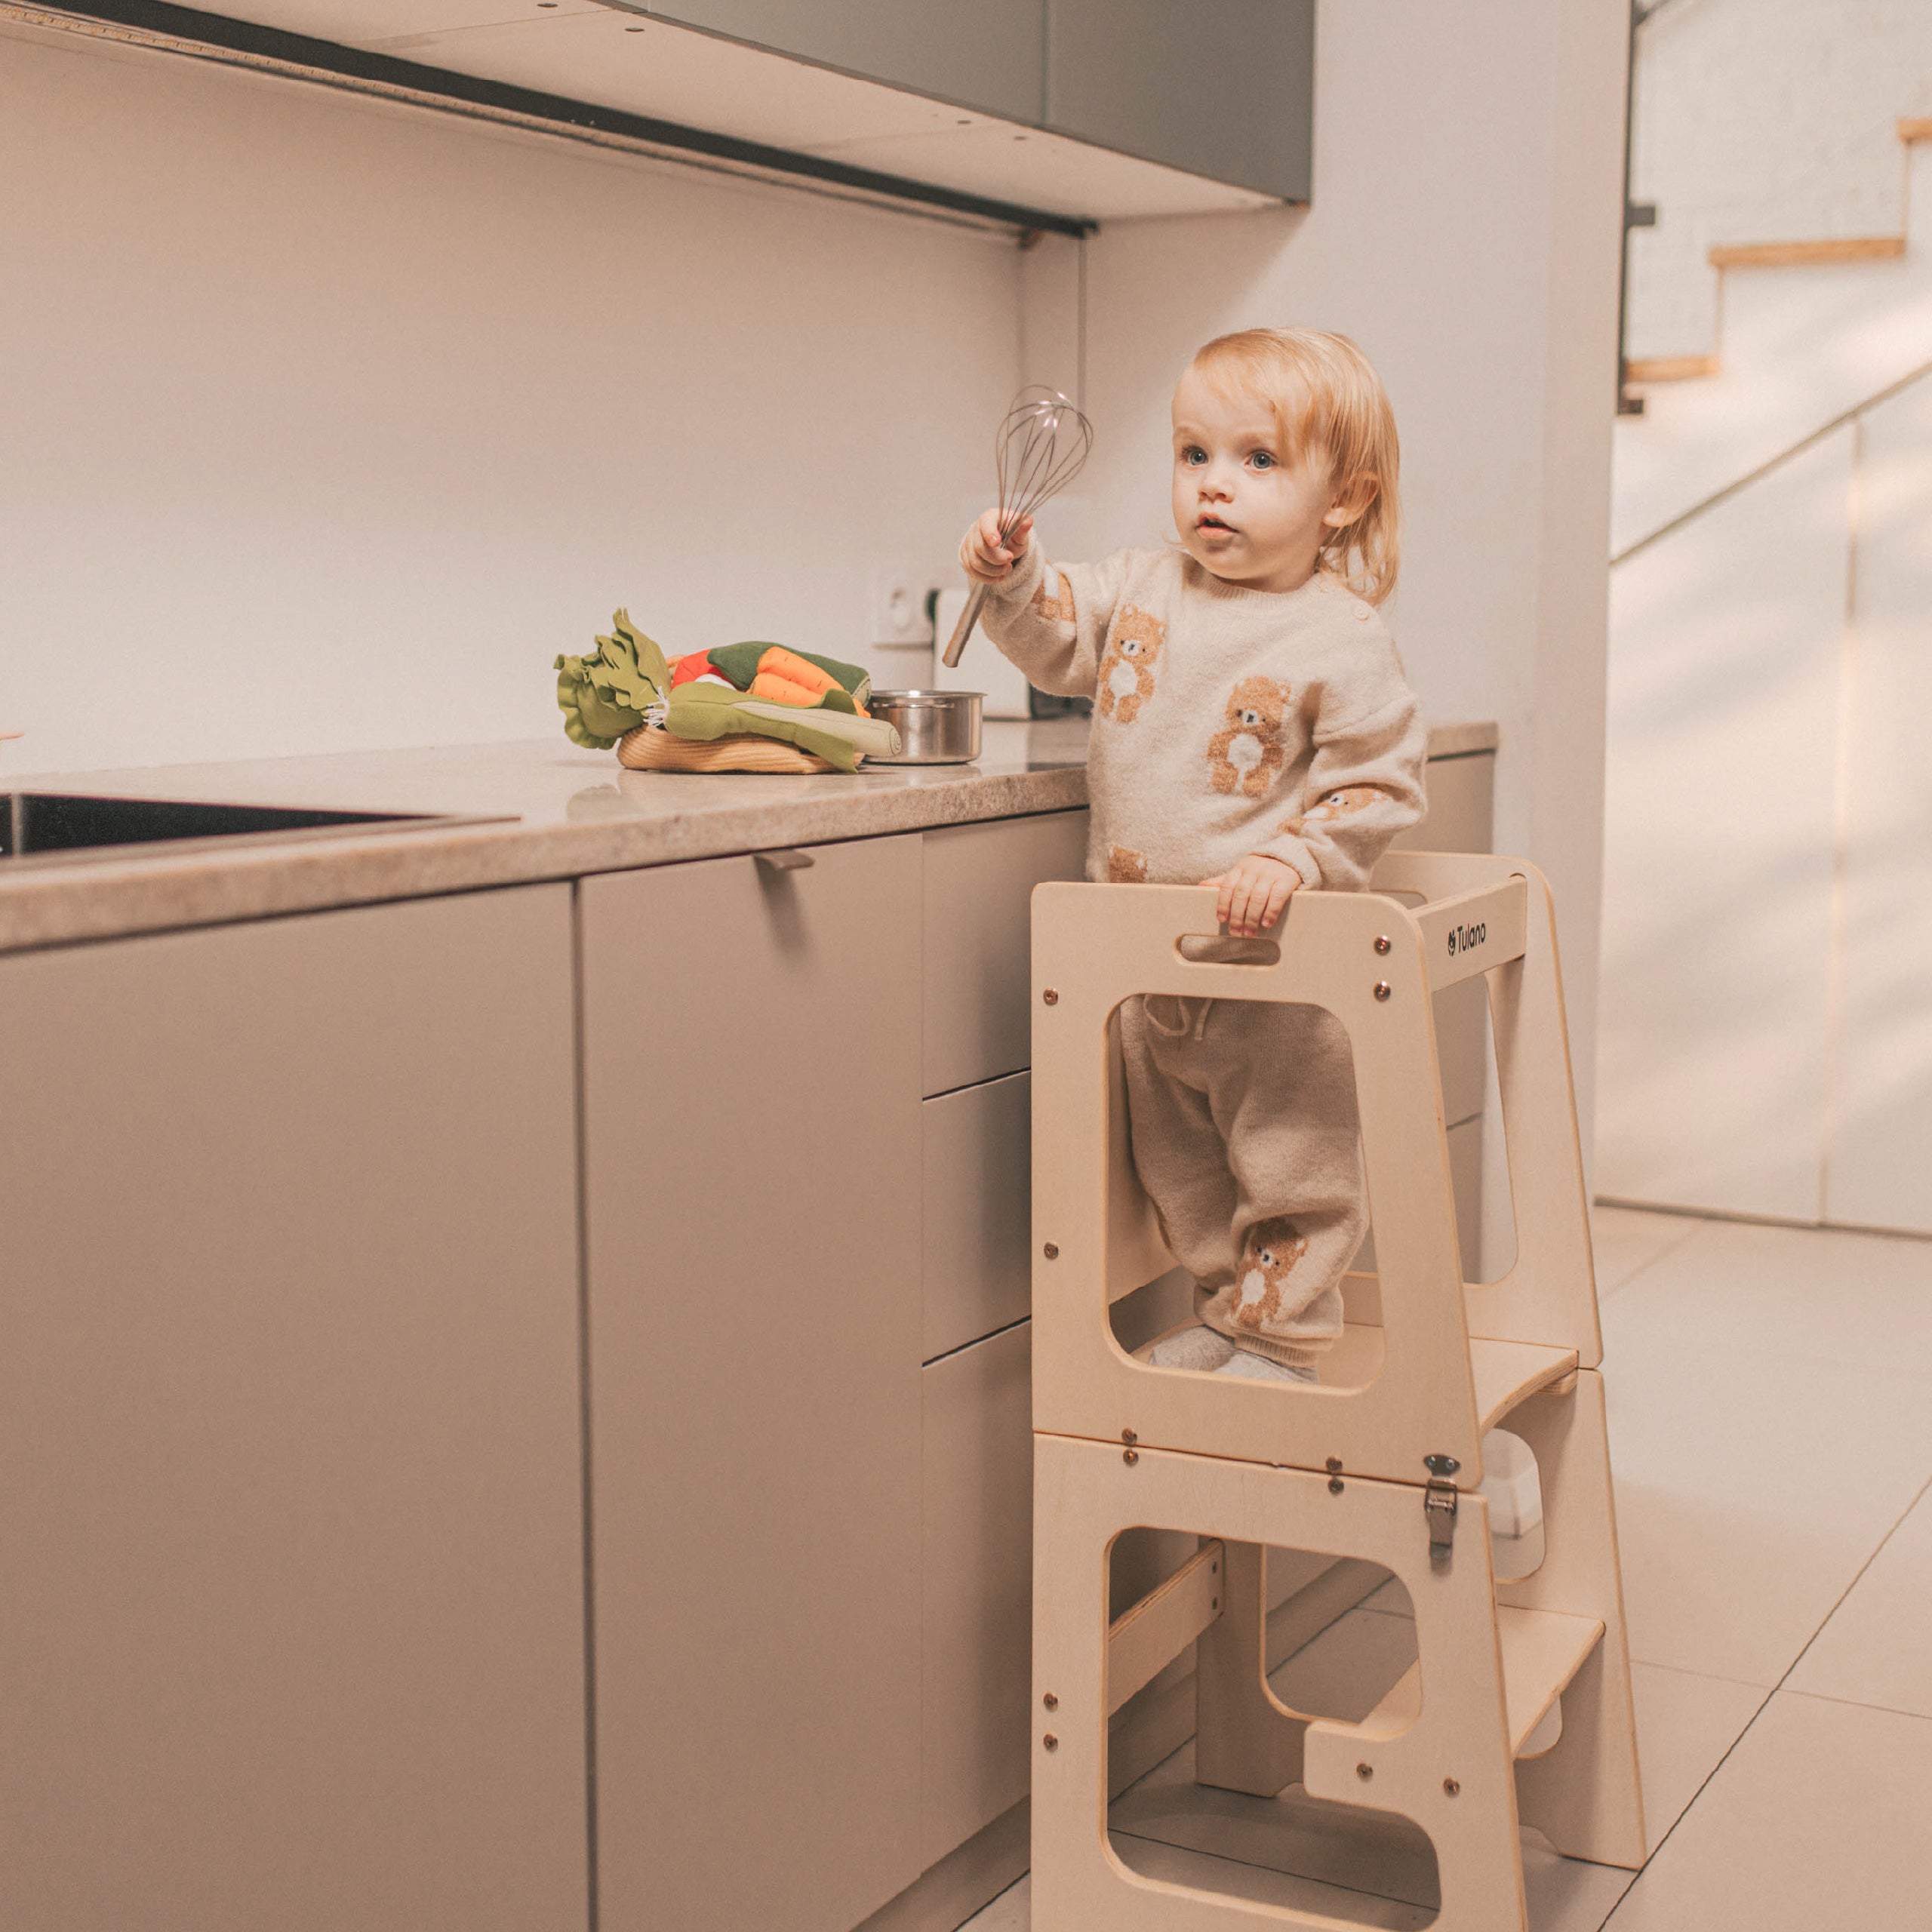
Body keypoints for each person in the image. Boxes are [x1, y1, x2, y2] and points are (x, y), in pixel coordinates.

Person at [961, 327, 1427, 1383]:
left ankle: (1285, 1334)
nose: (1216, 487)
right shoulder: (1140, 591)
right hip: (1144, 968)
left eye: (1258, 461)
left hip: (1270, 979)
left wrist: (1302, 862)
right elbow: (1054, 635)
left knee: (1291, 1166)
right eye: (1194, 455)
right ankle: (1231, 1316)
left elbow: (1377, 784)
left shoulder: (1339, 637)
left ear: (1342, 499)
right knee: (1181, 1169)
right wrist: (1014, 573)